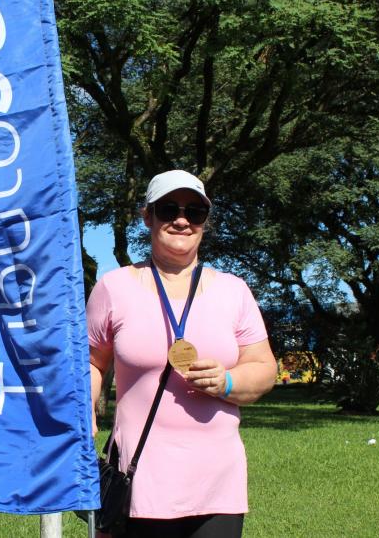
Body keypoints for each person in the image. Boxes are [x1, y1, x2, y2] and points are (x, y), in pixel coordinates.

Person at [87, 170, 277, 538]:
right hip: (137, 481)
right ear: (147, 217)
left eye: (194, 212)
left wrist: (227, 381)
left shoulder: (233, 291)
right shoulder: (114, 287)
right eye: (168, 209)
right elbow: (93, 362)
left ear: (205, 221)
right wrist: (84, 410)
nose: (181, 220)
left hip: (217, 486)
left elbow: (265, 367)